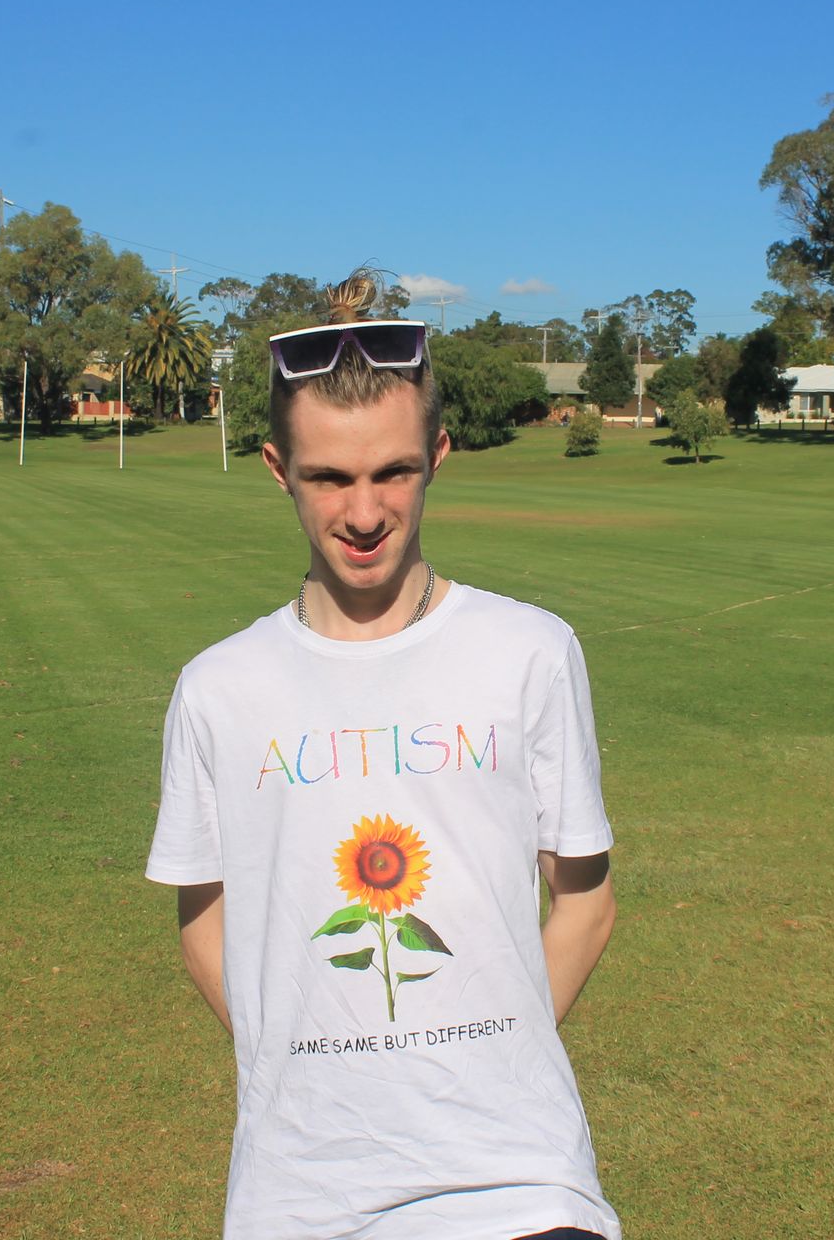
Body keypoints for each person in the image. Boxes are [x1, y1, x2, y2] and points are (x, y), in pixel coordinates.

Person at [146, 271, 620, 1240]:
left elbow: (585, 897)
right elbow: (205, 919)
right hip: (301, 1195)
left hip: (521, 1186)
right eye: (329, 477)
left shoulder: (530, 650)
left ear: (438, 455)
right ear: (277, 468)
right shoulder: (219, 688)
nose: (363, 512)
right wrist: (308, 1060)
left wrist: (493, 1056)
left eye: (392, 471)